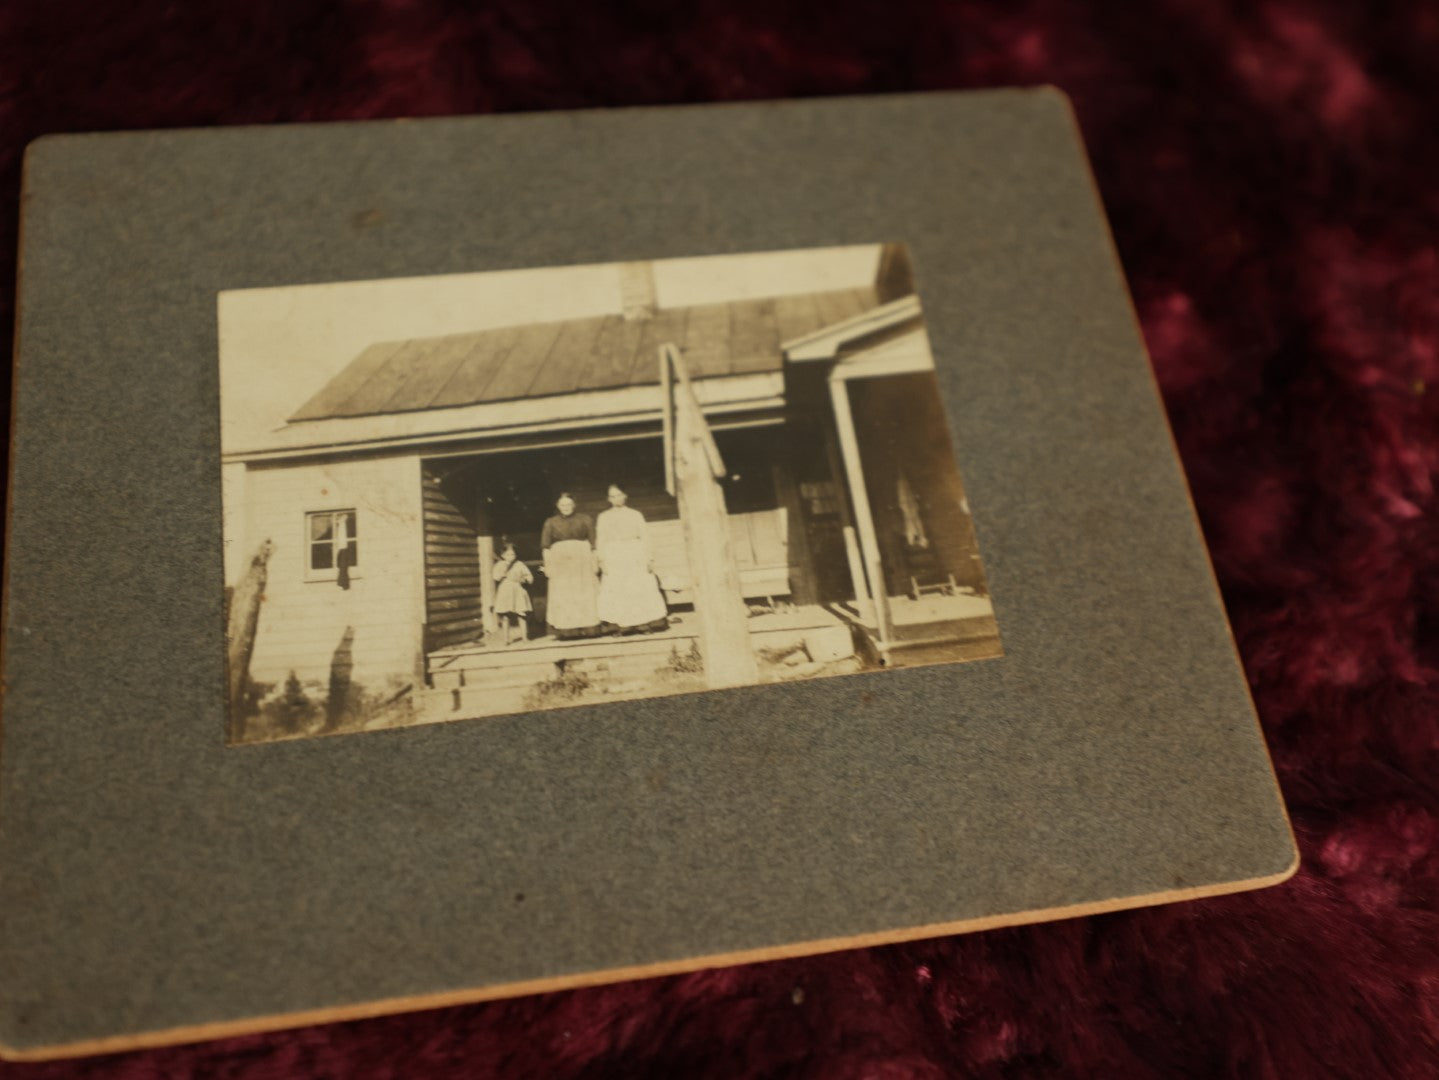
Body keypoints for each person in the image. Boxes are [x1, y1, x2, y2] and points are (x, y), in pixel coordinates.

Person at [596, 483, 669, 635]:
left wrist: (649, 558)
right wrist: (602, 560)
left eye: (619, 495)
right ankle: (622, 626)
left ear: (625, 496)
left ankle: (643, 624)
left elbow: (645, 537)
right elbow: (600, 540)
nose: (616, 498)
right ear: (608, 499)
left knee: (638, 587)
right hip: (614, 555)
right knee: (619, 588)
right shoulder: (603, 517)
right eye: (613, 496)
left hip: (635, 553)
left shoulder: (635, 514)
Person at [539, 492, 601, 639]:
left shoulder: (585, 519)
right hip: (561, 563)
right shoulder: (550, 522)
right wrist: (548, 566)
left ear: (574, 505)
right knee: (564, 594)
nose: (565, 507)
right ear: (558, 506)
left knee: (583, 592)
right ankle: (567, 631)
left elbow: (593, 543)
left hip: (582, 561)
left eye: (568, 504)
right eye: (562, 505)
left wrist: (595, 562)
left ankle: (588, 628)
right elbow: (546, 547)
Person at [492, 541, 534, 646]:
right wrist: (503, 572)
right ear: (502, 555)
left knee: (521, 614)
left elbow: (529, 576)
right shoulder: (499, 565)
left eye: (513, 554)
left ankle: (525, 637)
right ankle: (506, 639)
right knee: (506, 616)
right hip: (505, 591)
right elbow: (496, 577)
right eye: (508, 555)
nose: (511, 557)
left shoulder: (519, 564)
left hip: (518, 590)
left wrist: (525, 579)